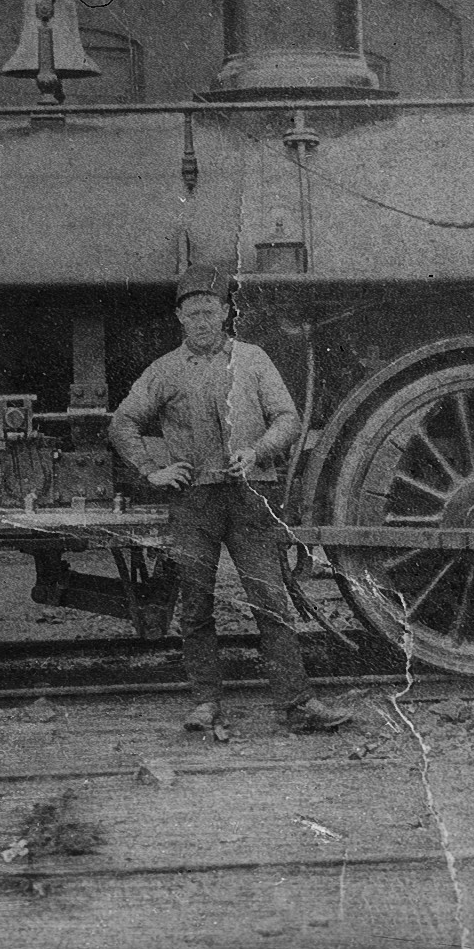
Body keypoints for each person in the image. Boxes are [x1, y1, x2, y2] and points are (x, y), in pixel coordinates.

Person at [108, 269, 353, 736]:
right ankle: (206, 703)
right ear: (179, 317)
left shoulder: (253, 360)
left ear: (225, 312)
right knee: (196, 606)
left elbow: (287, 419)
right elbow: (122, 423)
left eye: (209, 311)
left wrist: (257, 451)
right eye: (192, 313)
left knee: (270, 600)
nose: (201, 321)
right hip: (193, 501)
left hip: (248, 497)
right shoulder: (165, 370)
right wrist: (152, 470)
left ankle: (297, 704)